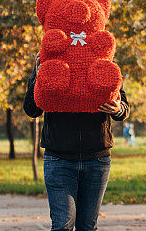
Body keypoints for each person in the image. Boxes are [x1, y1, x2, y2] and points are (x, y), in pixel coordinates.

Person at [24, 58, 130, 231]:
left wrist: (118, 108)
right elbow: (32, 110)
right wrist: (37, 75)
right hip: (59, 159)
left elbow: (124, 107)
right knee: (62, 225)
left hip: (97, 159)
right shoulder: (51, 61)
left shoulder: (103, 58)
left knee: (87, 226)